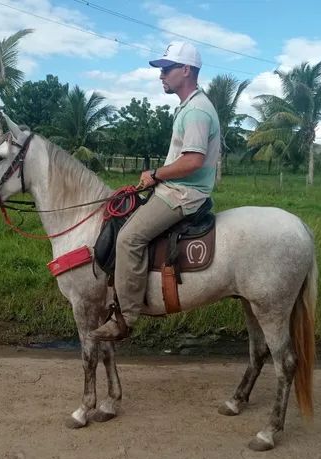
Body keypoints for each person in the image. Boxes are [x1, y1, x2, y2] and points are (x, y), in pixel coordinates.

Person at [89, 41, 221, 341]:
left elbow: (193, 160)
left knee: (129, 238)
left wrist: (155, 174)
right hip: (175, 188)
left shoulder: (197, 111)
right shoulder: (190, 107)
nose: (161, 75)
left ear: (186, 70)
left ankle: (127, 317)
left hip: (183, 194)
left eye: (167, 69)